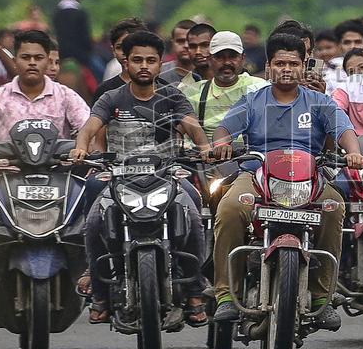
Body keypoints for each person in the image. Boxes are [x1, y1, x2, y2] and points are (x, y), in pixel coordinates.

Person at [209, 33, 363, 330]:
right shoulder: (252, 100)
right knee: (229, 208)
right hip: (257, 176)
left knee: (334, 206)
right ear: (268, 66)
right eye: (279, 62)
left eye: (292, 63)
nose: (286, 69)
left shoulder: (320, 102)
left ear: (303, 66)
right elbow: (223, 130)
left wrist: (355, 152)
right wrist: (221, 145)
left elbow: (345, 131)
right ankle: (226, 295)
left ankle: (322, 298)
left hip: (311, 178)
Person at [70, 31, 212, 325]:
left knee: (194, 211)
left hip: (168, 173)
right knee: (95, 220)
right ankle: (100, 294)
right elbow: (89, 128)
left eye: (151, 60)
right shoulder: (112, 98)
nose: (144, 66)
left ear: (161, 64)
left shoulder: (172, 96)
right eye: (137, 60)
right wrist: (81, 148)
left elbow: (193, 128)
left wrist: (206, 149)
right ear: (126, 61)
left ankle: (194, 289)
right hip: (120, 176)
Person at [0, 30, 91, 144]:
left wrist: (82, 145)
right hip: (6, 162)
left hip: (57, 163)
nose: (32, 63)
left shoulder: (66, 96)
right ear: (15, 62)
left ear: (47, 61)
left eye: (38, 58)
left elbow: (88, 130)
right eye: (25, 57)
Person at [180, 31, 267, 141]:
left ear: (243, 58)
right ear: (210, 59)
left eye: (233, 57)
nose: (227, 62)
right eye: (220, 57)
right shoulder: (194, 92)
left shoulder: (259, 88)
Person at [92, 18, 145, 103]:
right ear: (113, 50)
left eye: (132, 46)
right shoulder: (104, 91)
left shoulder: (162, 89)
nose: (126, 52)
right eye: (120, 47)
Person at [51, 0, 95, 74]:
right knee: (100, 70)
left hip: (61, 53)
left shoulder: (57, 13)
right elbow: (86, 37)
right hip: (79, 56)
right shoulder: (81, 13)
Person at [158, 19, 197, 86]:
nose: (186, 45)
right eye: (180, 41)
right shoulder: (159, 73)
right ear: (172, 43)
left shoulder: (209, 74)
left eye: (190, 41)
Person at [179, 22, 217, 89]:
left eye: (205, 45)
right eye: (193, 46)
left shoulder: (234, 79)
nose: (198, 52)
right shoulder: (184, 88)